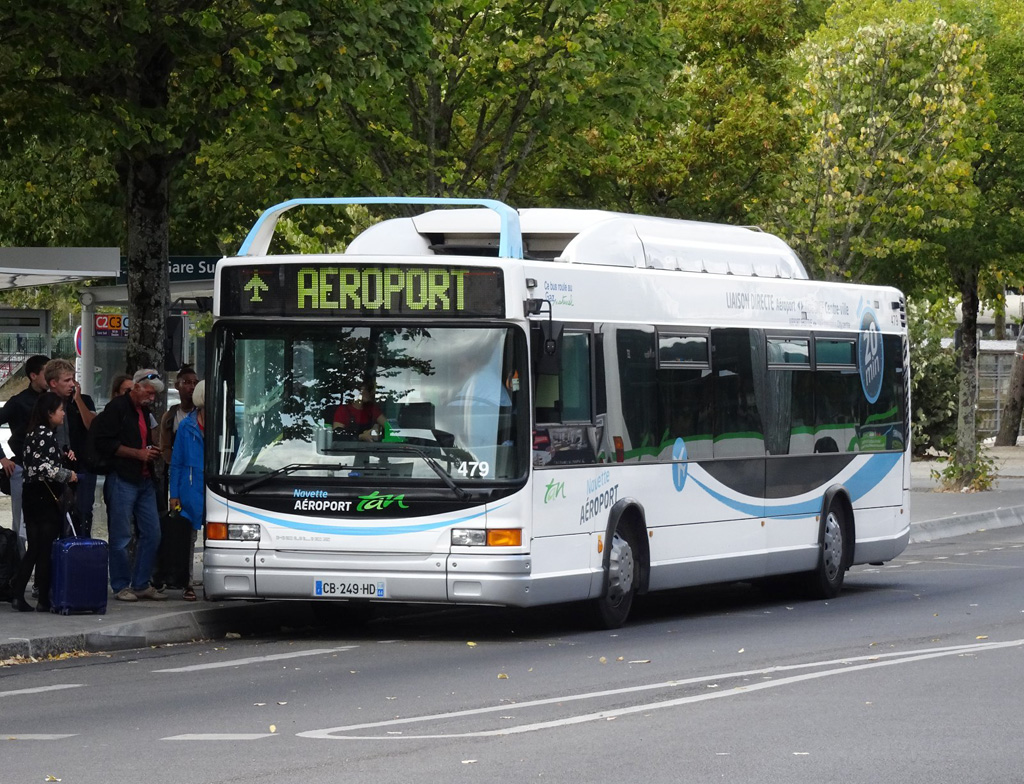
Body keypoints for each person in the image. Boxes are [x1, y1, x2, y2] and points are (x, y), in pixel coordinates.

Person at [90, 369, 167, 602]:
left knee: (152, 532)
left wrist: (151, 451)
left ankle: (141, 583)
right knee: (121, 536)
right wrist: (138, 454)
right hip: (123, 476)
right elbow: (105, 443)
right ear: (136, 387)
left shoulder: (142, 410)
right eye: (149, 393)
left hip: (143, 478)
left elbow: (144, 440)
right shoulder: (117, 408)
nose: (151, 398)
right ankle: (121, 584)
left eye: (154, 395)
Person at [9, 391, 77, 612]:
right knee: (44, 547)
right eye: (60, 410)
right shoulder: (45, 434)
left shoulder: (31, 433)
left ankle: (18, 592)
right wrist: (67, 474)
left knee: (35, 547)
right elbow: (42, 467)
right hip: (44, 496)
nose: (63, 414)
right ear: (49, 413)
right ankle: (43, 598)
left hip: (31, 493)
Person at [0, 355, 50, 558]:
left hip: (50, 470)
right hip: (23, 466)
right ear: (33, 375)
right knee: (20, 521)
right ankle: (19, 565)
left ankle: (44, 568)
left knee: (49, 521)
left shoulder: (54, 399)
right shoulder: (18, 402)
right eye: (47, 373)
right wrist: (2, 457)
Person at [44, 358, 97, 538]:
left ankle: (82, 550)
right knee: (56, 514)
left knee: (83, 512)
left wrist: (78, 400)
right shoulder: (44, 404)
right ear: (53, 383)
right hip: (56, 466)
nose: (72, 384)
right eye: (67, 380)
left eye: (73, 379)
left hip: (83, 464)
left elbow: (92, 426)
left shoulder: (84, 400)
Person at [168, 380, 205, 602]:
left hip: (212, 487)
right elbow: (177, 463)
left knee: (214, 536)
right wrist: (174, 494)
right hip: (190, 488)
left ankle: (212, 580)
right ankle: (187, 583)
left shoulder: (224, 424)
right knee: (188, 538)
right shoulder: (186, 426)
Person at [159, 365, 198, 498]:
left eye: (195, 383)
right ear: (177, 385)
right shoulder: (170, 416)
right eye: (187, 382)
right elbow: (165, 447)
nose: (192, 387)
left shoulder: (202, 414)